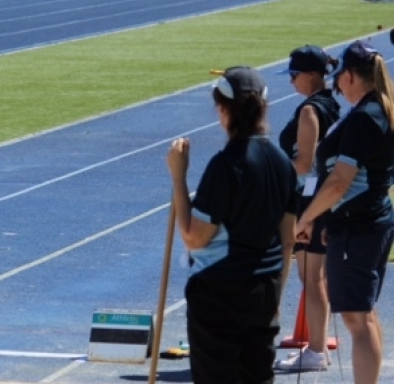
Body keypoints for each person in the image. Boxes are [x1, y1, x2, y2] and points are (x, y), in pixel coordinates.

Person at [166, 67, 297, 384]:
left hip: (221, 292)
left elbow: (194, 237)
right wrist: (277, 295)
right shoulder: (282, 163)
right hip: (265, 288)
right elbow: (288, 239)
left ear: (223, 110)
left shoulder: (226, 165)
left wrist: (178, 176)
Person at [296, 40, 394, 384]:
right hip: (361, 221)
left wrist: (307, 218)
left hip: (360, 226)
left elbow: (339, 182)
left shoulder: (367, 117)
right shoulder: (375, 109)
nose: (336, 84)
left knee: (357, 318)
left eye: (340, 78)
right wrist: (333, 219)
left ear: (350, 76)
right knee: (363, 315)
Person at [273, 45, 340, 372]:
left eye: (295, 75)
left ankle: (315, 350)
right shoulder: (331, 104)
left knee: (312, 277)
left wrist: (306, 214)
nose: (292, 82)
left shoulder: (310, 111)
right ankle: (316, 347)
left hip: (311, 201)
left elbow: (306, 164)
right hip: (321, 199)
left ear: (312, 75)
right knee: (315, 278)